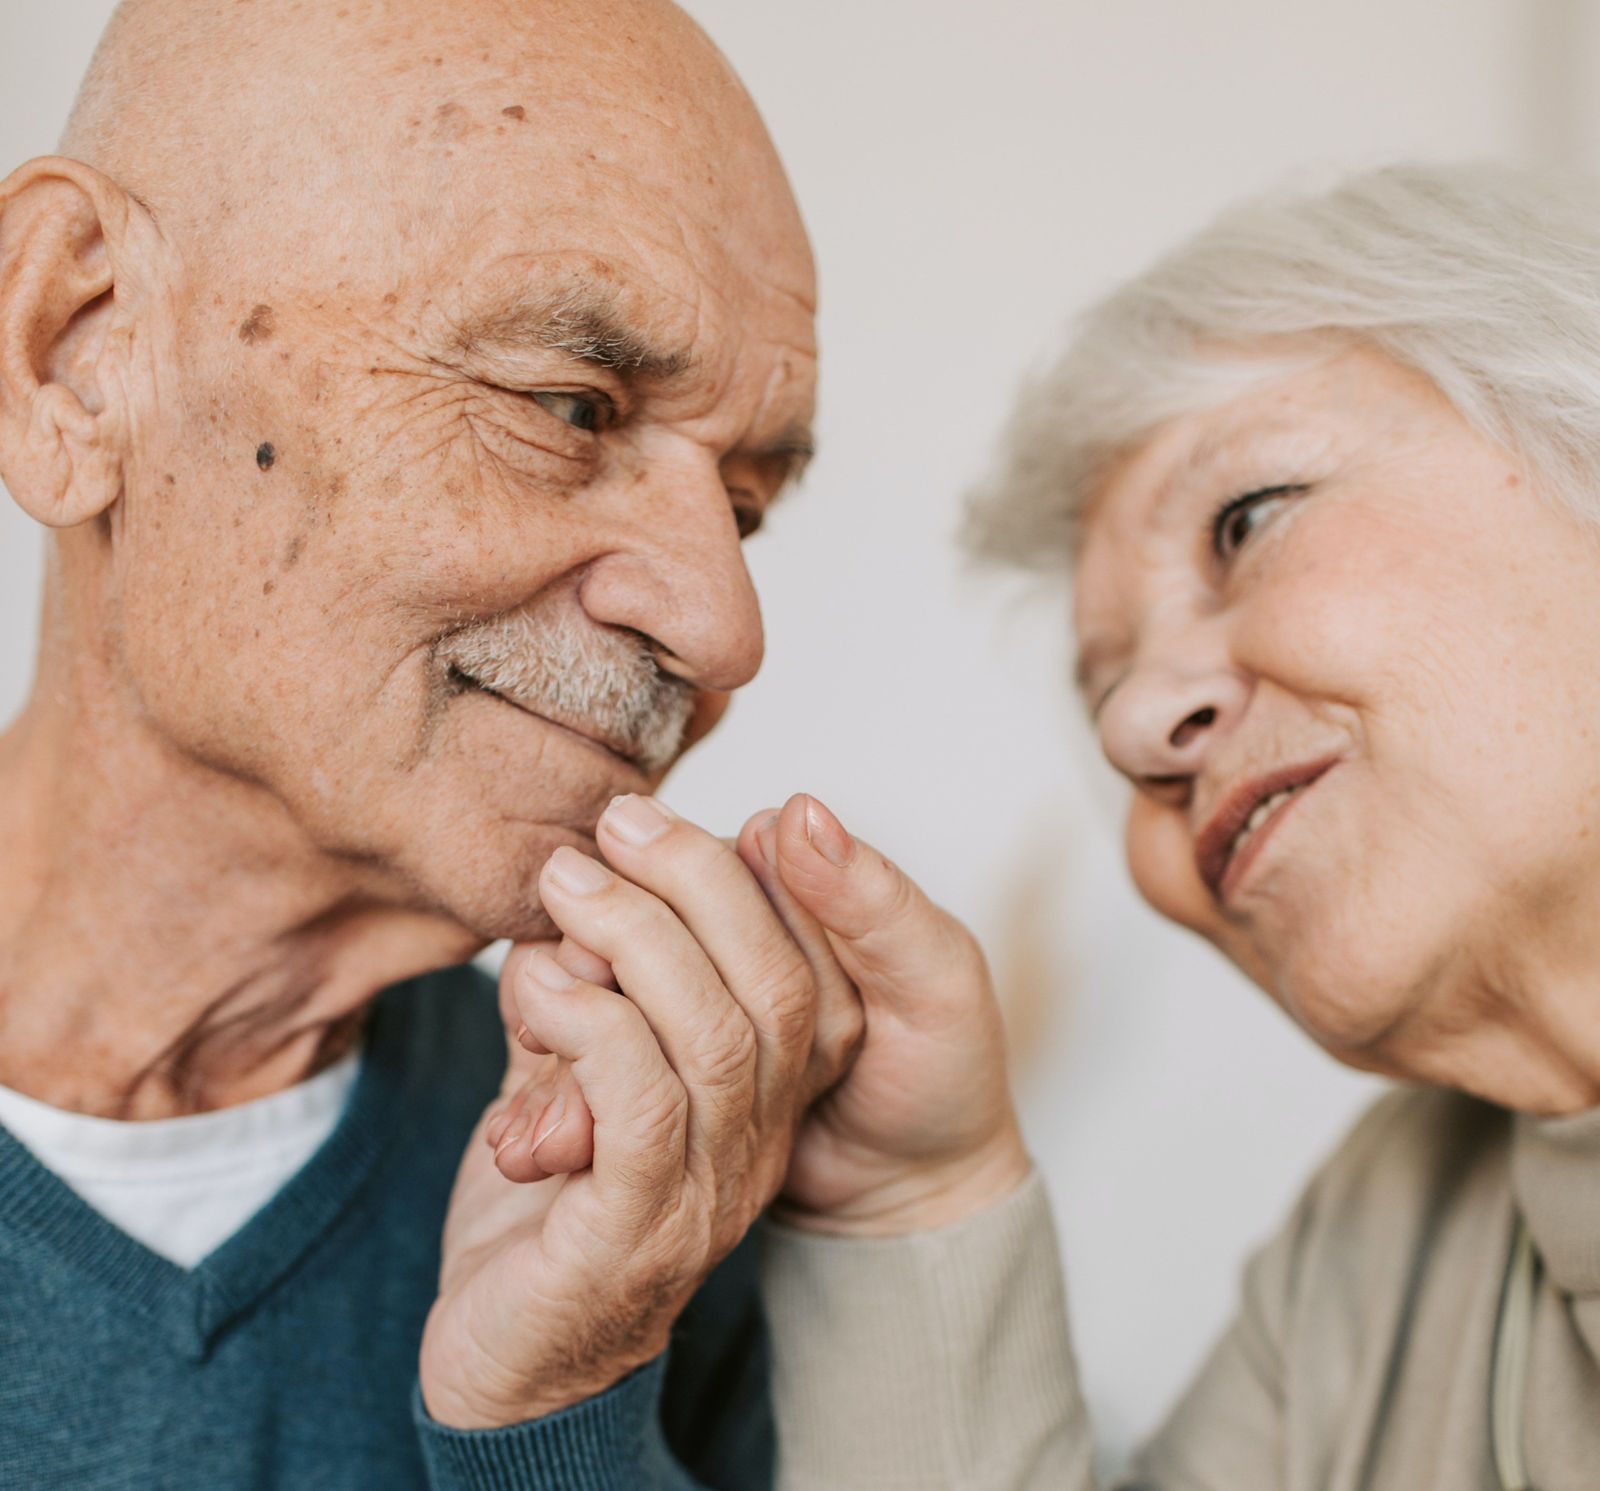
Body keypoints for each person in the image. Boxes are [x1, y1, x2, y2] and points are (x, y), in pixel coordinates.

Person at [0, 1, 1034, 1486]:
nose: (726, 629)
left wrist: (562, 1418)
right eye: (569, 405)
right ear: (73, 352)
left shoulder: (650, 1198)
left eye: (743, 507)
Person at [711, 161, 1600, 1490]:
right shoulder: (1378, 1243)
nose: (1135, 735)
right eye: (1104, 698)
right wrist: (914, 1200)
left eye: (1248, 521)